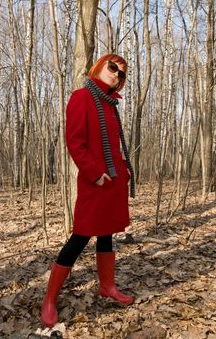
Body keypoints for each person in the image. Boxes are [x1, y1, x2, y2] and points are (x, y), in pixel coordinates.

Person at [41, 53, 135, 328]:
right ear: (100, 64)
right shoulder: (82, 96)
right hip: (95, 181)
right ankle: (49, 299)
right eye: (113, 67)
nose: (117, 74)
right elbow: (75, 141)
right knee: (80, 237)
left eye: (122, 74)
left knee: (107, 234)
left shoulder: (111, 104)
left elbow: (113, 145)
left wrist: (124, 170)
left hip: (114, 180)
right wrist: (94, 174)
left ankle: (107, 286)